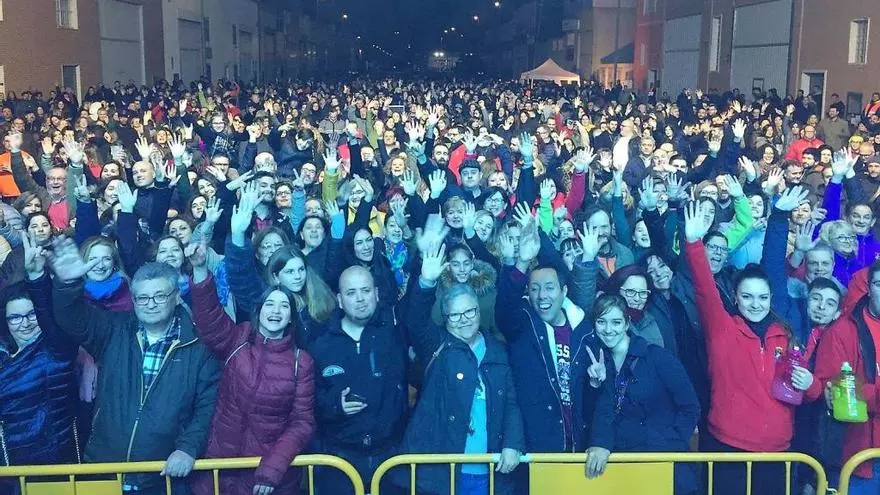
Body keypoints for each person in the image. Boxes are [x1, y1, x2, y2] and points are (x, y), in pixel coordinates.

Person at [49, 236, 220, 494]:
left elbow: (207, 407)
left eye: (159, 296)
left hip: (163, 477)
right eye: (142, 298)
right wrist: (68, 284)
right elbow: (71, 318)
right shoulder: (113, 330)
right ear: (134, 299)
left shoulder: (198, 346)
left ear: (176, 297)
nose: (150, 304)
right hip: (104, 470)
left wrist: (188, 448)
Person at [684, 201, 814, 495]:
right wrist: (693, 244)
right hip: (728, 449)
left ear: (771, 298)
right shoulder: (722, 328)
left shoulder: (786, 335)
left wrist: (811, 384)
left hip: (778, 453)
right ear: (735, 297)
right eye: (747, 297)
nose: (756, 304)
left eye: (762, 297)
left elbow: (808, 390)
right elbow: (704, 288)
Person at [396, 242, 524, 495]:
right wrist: (425, 282)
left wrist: (513, 443)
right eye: (455, 315)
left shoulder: (497, 351)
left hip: (490, 469)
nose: (464, 319)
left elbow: (510, 402)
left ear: (479, 311)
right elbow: (415, 320)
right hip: (441, 472)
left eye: (470, 312)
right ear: (445, 318)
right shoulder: (436, 344)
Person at [188, 243, 316, 495]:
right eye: (270, 304)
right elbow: (210, 319)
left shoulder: (301, 362)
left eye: (284, 306)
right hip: (219, 469)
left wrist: (272, 469)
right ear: (259, 310)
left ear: (291, 317)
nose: (276, 311)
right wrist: (200, 269)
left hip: (267, 478)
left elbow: (302, 423)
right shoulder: (239, 339)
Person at [584, 294, 700, 494]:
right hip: (624, 466)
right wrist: (595, 384)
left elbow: (690, 406)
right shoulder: (598, 363)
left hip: (666, 464)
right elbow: (597, 413)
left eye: (616, 322)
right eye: (601, 322)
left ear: (627, 324)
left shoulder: (657, 356)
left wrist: (669, 443)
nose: (608, 329)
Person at [309, 265, 408, 495]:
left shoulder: (395, 334)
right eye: (351, 293)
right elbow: (308, 400)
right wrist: (336, 406)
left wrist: (426, 281)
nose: (360, 298)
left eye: (365, 290)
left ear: (376, 293)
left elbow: (418, 313)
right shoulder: (321, 344)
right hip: (339, 461)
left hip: (391, 460)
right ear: (340, 300)